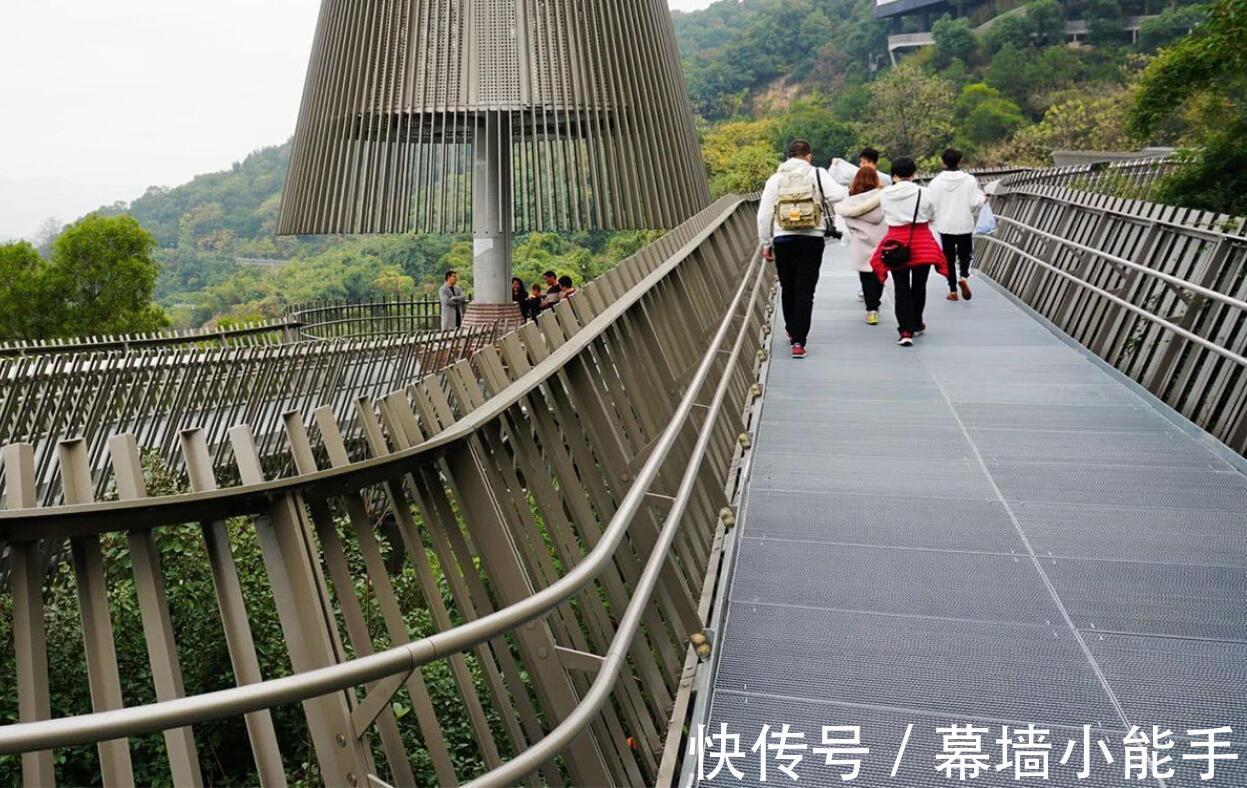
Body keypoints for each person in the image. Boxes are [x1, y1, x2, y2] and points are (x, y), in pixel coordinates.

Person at [758, 138, 847, 359]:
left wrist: (766, 243)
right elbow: (838, 195)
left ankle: (790, 330)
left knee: (788, 287)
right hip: (812, 237)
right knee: (806, 291)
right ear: (808, 155)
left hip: (783, 238)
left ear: (787, 156)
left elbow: (764, 214)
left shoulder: (775, 179)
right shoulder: (817, 174)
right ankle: (799, 341)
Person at [870, 157, 948, 347]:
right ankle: (917, 322)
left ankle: (905, 331)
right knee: (919, 286)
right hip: (922, 243)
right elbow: (932, 215)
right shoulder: (924, 192)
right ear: (913, 174)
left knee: (901, 287)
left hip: (896, 244)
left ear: (894, 175)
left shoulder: (885, 194)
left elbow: (884, 214)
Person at [928, 148, 986, 302]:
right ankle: (964, 277)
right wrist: (982, 199)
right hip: (964, 223)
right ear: (960, 161)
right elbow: (974, 203)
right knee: (965, 254)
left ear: (943, 162)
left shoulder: (935, 182)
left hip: (944, 225)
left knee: (949, 258)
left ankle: (953, 290)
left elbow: (931, 205)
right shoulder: (969, 180)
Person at [834, 165, 889, 326]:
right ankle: (876, 302)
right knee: (880, 273)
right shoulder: (882, 198)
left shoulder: (850, 203)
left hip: (860, 243)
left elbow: (847, 222)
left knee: (866, 277)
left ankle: (871, 310)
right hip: (881, 241)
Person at [829, 146, 893, 189]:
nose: (861, 165)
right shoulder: (856, 177)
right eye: (861, 162)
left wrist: (834, 166)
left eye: (863, 163)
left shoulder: (857, 177)